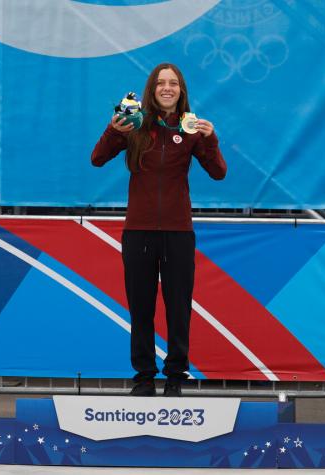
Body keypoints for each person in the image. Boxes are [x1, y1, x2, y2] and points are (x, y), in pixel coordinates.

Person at [91, 63, 227, 397]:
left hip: (179, 232)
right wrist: (113, 130)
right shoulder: (135, 124)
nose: (167, 88)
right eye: (161, 83)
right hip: (138, 230)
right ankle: (144, 376)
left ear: (181, 90)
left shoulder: (191, 127)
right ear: (152, 89)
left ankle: (176, 374)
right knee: (141, 306)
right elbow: (97, 158)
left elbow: (219, 172)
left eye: (174, 83)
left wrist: (211, 140)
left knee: (178, 305)